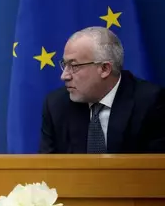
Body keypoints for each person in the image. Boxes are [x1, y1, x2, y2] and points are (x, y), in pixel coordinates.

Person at [40, 26, 165, 154]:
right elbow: (47, 169)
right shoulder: (56, 105)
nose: (64, 76)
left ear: (105, 69)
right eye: (64, 65)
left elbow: (156, 168)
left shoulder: (150, 102)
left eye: (74, 66)